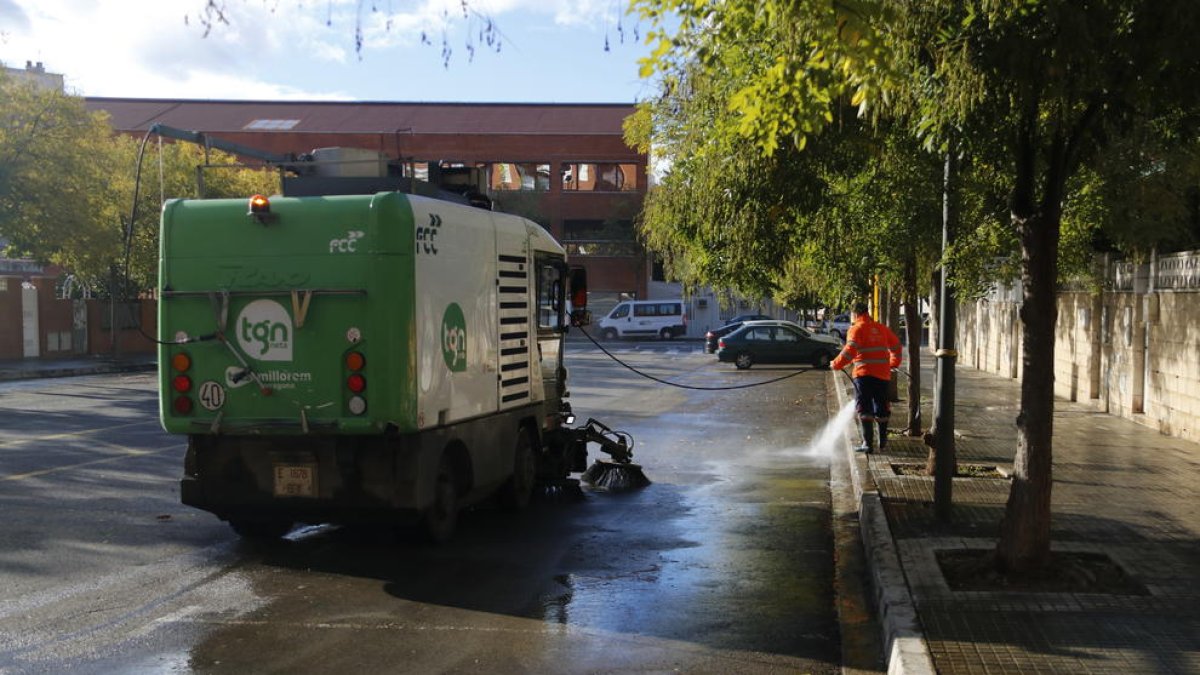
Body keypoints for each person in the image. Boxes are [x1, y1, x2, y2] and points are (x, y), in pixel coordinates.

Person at [830, 302, 903, 452]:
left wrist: (836, 364)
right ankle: (883, 443)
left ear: (855, 314)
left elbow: (849, 351)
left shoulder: (856, 329)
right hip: (883, 374)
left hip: (864, 375)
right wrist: (893, 362)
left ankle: (867, 444)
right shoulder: (881, 328)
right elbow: (896, 346)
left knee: (864, 408)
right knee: (882, 406)